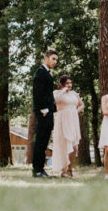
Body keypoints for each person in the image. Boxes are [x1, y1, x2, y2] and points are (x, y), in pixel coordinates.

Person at [32, 49, 58, 178]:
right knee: (40, 141)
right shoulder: (40, 73)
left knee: (44, 141)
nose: (55, 62)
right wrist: (43, 109)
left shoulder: (46, 73)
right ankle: (37, 170)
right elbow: (38, 93)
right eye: (53, 59)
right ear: (46, 58)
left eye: (56, 60)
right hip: (44, 112)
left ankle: (41, 169)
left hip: (48, 111)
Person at [52, 75, 84, 178]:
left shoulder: (74, 94)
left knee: (75, 146)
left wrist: (75, 111)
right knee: (64, 144)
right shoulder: (57, 93)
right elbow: (55, 101)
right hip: (63, 119)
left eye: (70, 83)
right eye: (67, 83)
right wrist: (63, 90)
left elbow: (81, 105)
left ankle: (70, 169)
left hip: (73, 119)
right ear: (61, 84)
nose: (69, 85)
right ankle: (63, 170)